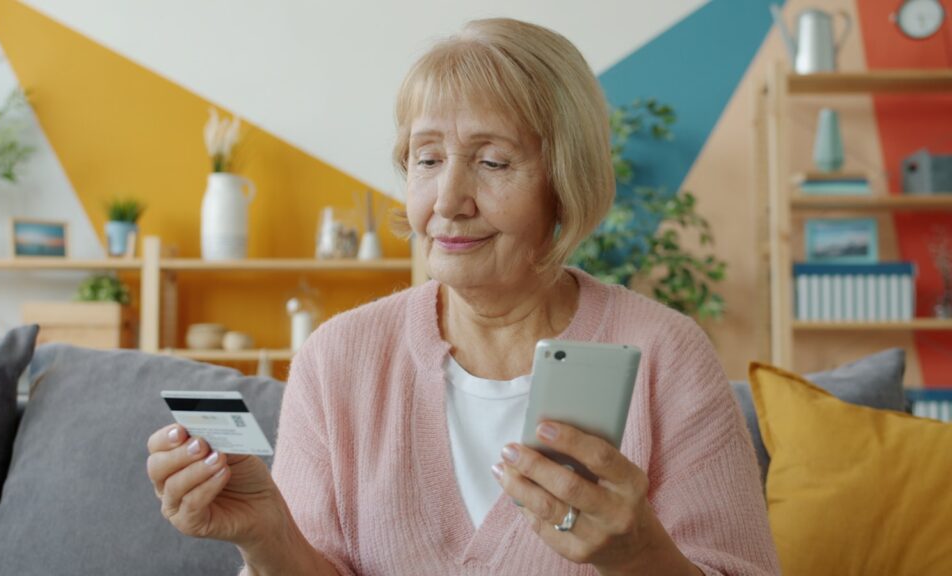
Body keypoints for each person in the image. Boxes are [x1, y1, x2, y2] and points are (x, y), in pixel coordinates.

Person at [146, 17, 781, 576]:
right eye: (426, 160)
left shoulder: (666, 356)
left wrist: (638, 557)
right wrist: (268, 538)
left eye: (494, 162)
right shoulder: (337, 357)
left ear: (564, 185)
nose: (447, 201)